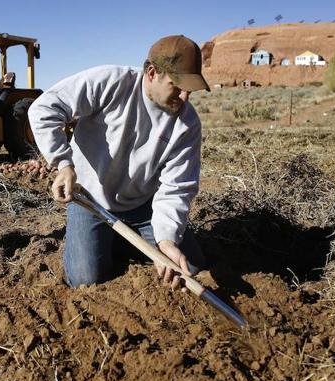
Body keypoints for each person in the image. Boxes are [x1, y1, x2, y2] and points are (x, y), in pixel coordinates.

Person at [28, 35, 209, 290]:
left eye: (190, 88)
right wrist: (63, 164)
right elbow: (44, 109)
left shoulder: (187, 124)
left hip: (143, 206)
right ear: (151, 72)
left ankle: (125, 238)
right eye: (176, 85)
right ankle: (108, 238)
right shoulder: (111, 82)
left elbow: (177, 188)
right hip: (91, 202)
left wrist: (167, 239)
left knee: (190, 267)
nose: (185, 96)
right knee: (85, 279)